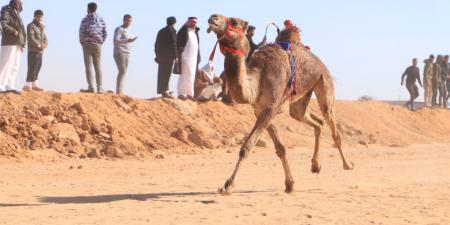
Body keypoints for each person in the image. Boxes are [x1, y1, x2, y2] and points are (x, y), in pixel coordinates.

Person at [79, 2, 107, 93]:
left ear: (88, 9)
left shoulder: (85, 20)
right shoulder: (101, 19)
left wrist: (82, 42)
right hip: (98, 44)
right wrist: (100, 42)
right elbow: (105, 32)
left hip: (87, 44)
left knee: (88, 66)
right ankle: (100, 87)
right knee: (98, 66)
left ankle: (91, 87)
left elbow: (81, 32)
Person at [0, 0, 25, 94]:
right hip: (9, 41)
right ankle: (0, 86)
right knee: (5, 64)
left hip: (18, 42)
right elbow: (3, 23)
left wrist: (22, 43)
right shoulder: (6, 9)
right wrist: (13, 31)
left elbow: (21, 29)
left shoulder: (17, 12)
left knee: (14, 66)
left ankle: (10, 86)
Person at [176, 17, 200, 100]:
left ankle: (190, 93)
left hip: (193, 59)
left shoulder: (195, 33)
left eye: (195, 22)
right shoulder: (183, 31)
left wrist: (198, 57)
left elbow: (197, 47)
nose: (194, 24)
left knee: (191, 75)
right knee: (184, 75)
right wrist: (178, 55)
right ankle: (181, 93)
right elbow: (178, 43)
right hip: (185, 57)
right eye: (192, 22)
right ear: (189, 22)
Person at [23, 9, 47, 92]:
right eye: (38, 16)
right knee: (32, 67)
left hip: (40, 51)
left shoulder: (42, 26)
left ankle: (34, 84)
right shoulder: (31, 25)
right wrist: (39, 45)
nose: (40, 18)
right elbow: (31, 38)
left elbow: (45, 37)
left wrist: (45, 44)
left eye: (41, 16)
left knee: (38, 67)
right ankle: (27, 85)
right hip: (33, 50)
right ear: (35, 16)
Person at [113, 14, 136, 95]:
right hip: (120, 51)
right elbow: (115, 41)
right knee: (122, 70)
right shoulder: (119, 29)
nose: (129, 22)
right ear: (124, 20)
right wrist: (127, 40)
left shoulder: (128, 31)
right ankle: (119, 90)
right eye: (127, 20)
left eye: (130, 21)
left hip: (127, 52)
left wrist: (129, 41)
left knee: (124, 71)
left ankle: (120, 90)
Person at [155, 16, 177, 98]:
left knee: (162, 73)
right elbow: (174, 44)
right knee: (167, 73)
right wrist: (176, 56)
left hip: (161, 56)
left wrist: (157, 55)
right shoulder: (172, 31)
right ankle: (165, 91)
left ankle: (164, 90)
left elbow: (156, 44)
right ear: (174, 23)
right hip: (169, 56)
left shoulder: (161, 31)